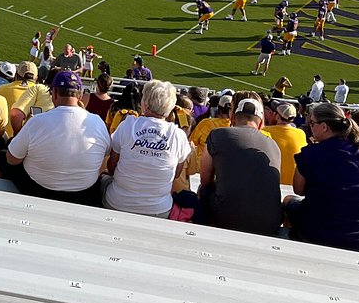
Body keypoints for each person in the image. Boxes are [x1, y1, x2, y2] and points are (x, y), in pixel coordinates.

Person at [284, 103, 359, 252]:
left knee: (288, 200)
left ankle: (291, 249)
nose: (310, 127)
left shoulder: (311, 153)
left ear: (324, 127)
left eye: (312, 123)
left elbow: (298, 190)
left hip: (317, 234)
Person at [0, 70, 109, 202]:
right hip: (83, 194)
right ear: (79, 96)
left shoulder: (37, 121)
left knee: (1, 156)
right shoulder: (97, 122)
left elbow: (12, 159)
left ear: (54, 94)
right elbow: (106, 154)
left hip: (38, 190)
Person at [102, 79, 192, 218]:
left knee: (101, 180)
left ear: (144, 105)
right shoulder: (178, 135)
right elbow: (176, 174)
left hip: (118, 202)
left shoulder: (128, 125)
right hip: (158, 209)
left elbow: (112, 165)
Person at [197, 95, 282, 235]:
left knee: (203, 190)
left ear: (233, 118)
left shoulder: (218, 134)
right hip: (269, 224)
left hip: (226, 219)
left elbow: (205, 180)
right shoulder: (273, 144)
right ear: (260, 124)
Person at [263, 102, 307, 185]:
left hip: (273, 183)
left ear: (277, 116)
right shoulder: (301, 133)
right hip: (293, 184)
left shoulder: (265, 131)